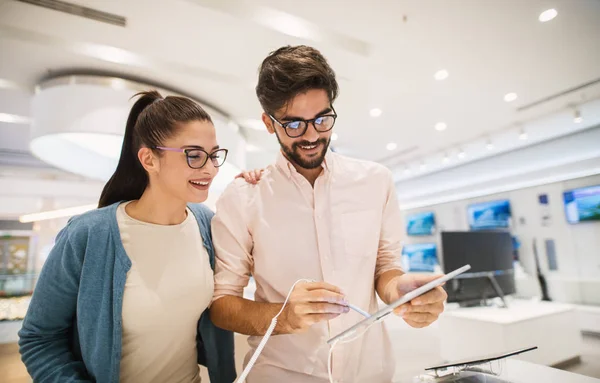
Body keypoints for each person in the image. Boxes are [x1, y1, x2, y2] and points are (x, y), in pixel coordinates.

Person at [210, 45, 448, 382]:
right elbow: (223, 306)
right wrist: (284, 317)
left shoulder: (375, 181)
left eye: (322, 119)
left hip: (370, 371)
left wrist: (400, 292)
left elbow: (385, 266)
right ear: (268, 122)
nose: (311, 135)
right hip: (282, 375)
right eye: (294, 124)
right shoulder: (243, 197)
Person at [18, 91, 236, 383]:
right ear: (149, 159)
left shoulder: (205, 224)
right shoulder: (88, 236)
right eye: (194, 155)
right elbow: (39, 338)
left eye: (214, 155)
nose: (210, 169)